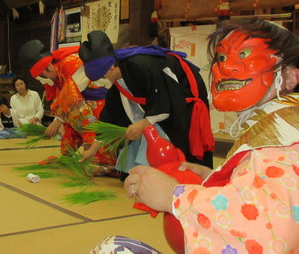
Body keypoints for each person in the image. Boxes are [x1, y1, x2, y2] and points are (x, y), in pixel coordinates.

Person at [90, 19, 299, 254]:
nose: (227, 68)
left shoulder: (280, 144)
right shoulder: (277, 126)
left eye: (245, 54)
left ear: (290, 77)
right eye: (221, 58)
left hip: (174, 115)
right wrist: (213, 179)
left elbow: (267, 233)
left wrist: (175, 196)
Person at [78, 30, 214, 178]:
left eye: (101, 77)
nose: (101, 84)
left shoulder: (142, 65)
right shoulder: (118, 78)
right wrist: (93, 149)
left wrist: (142, 124)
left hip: (182, 95)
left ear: (111, 67)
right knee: (127, 171)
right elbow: (111, 113)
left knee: (177, 140)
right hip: (163, 101)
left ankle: (183, 172)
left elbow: (164, 100)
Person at [18, 40, 117, 170]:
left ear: (47, 68)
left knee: (84, 121)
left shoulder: (70, 62)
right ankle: (67, 156)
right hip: (81, 104)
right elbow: (66, 101)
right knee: (70, 123)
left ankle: (101, 161)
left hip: (99, 103)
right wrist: (59, 120)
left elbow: (72, 98)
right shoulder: (57, 72)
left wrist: (57, 121)